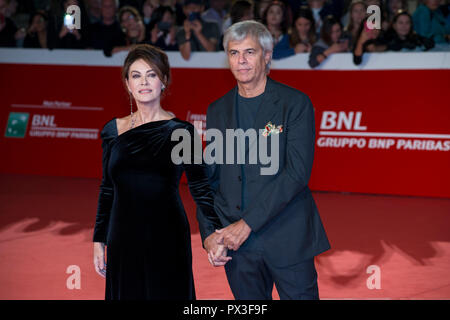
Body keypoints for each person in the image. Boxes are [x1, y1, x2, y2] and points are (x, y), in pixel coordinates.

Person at [198, 20, 331, 300]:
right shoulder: (217, 110)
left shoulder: (294, 103)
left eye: (250, 52)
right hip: (238, 249)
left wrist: (246, 225)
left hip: (287, 238)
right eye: (234, 53)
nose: (241, 61)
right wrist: (209, 232)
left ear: (267, 55)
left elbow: (296, 173)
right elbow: (209, 178)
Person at [92, 44, 228, 300]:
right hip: (122, 236)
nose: (144, 82)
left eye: (151, 74)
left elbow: (200, 186)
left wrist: (214, 232)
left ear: (164, 81)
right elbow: (107, 187)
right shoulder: (112, 130)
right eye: (136, 75)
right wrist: (99, 240)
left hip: (167, 235)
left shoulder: (181, 132)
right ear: (127, 84)